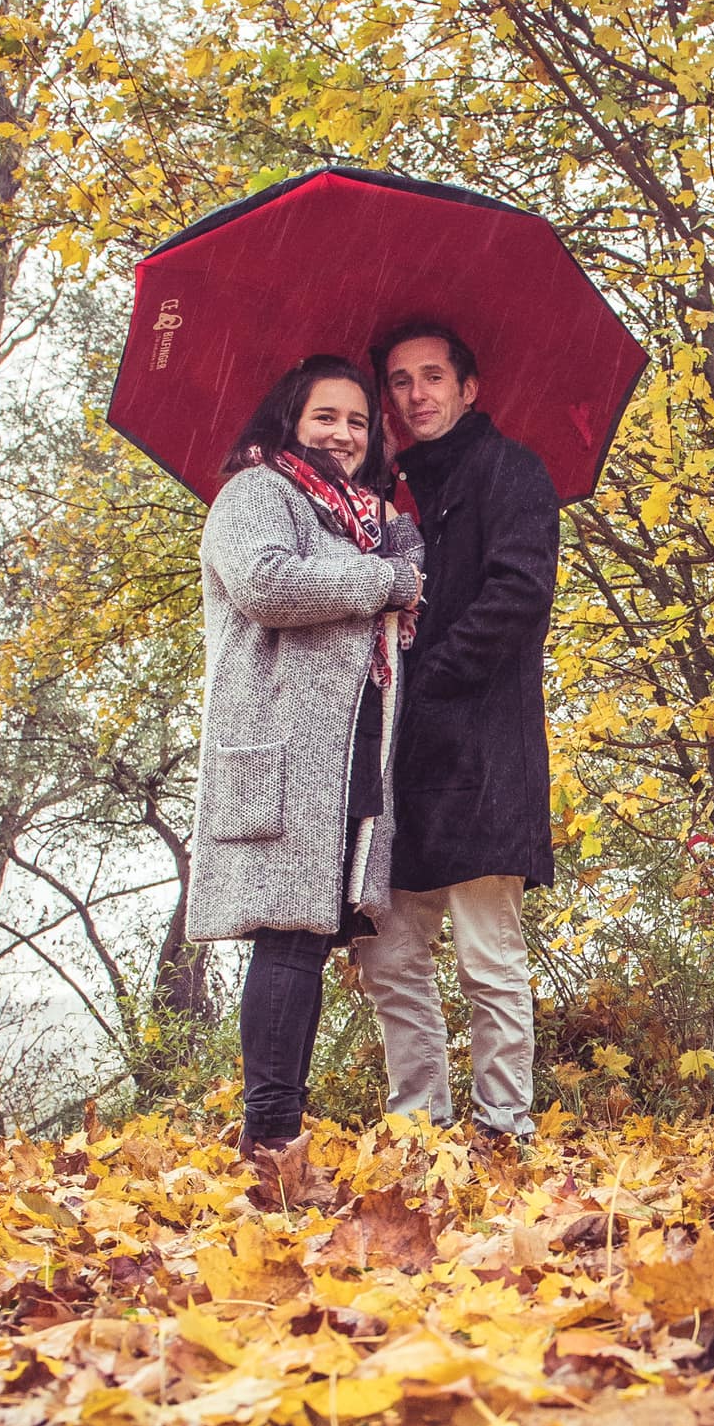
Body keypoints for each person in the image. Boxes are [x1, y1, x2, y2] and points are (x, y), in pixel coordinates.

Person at [185, 354, 423, 1176]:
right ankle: (272, 1142)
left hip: (348, 757)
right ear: (292, 418)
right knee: (286, 939)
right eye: (328, 416)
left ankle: (276, 1132)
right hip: (284, 755)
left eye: (359, 421)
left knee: (311, 938)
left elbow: (394, 596)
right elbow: (268, 583)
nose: (345, 434)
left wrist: (397, 554)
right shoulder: (257, 493)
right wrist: (384, 576)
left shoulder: (363, 518)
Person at [357, 322, 559, 1140]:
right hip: (401, 764)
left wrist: (431, 676)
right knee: (390, 958)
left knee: (487, 956)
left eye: (433, 376)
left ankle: (504, 1129)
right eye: (400, 382)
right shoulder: (388, 494)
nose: (417, 395)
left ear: (469, 388)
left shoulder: (513, 471)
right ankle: (420, 1130)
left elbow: (518, 593)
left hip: (484, 758)